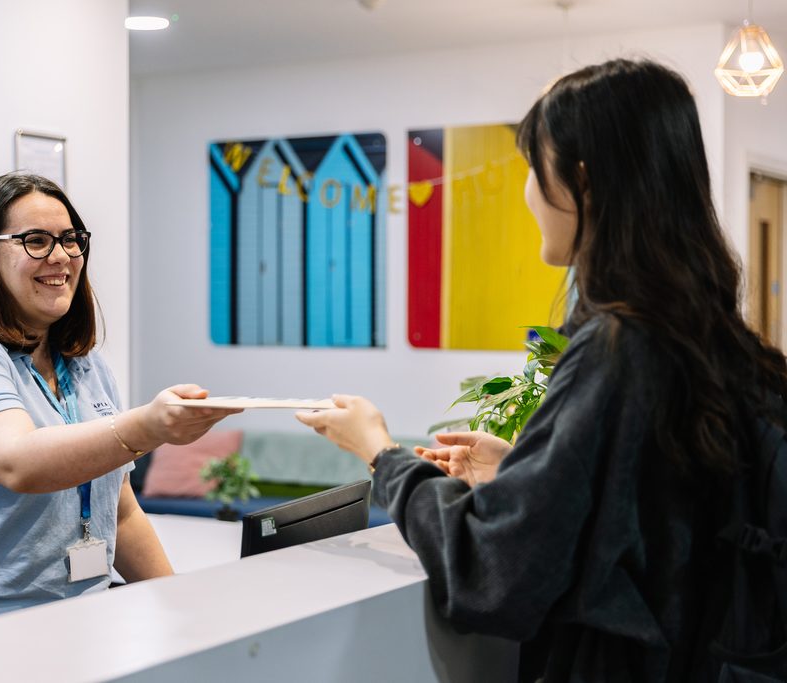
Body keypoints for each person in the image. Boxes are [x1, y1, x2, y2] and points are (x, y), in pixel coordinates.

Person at [297, 59, 787, 682]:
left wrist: (382, 454)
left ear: (581, 180)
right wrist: (523, 473)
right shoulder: (721, 343)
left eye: (535, 168)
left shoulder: (617, 346)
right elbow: (659, 509)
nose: (528, 191)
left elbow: (493, 571)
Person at [0, 172, 239, 639]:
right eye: (36, 241)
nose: (61, 256)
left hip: (67, 627)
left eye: (70, 239)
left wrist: (184, 612)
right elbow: (17, 462)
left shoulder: (84, 364)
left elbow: (120, 512)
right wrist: (148, 426)